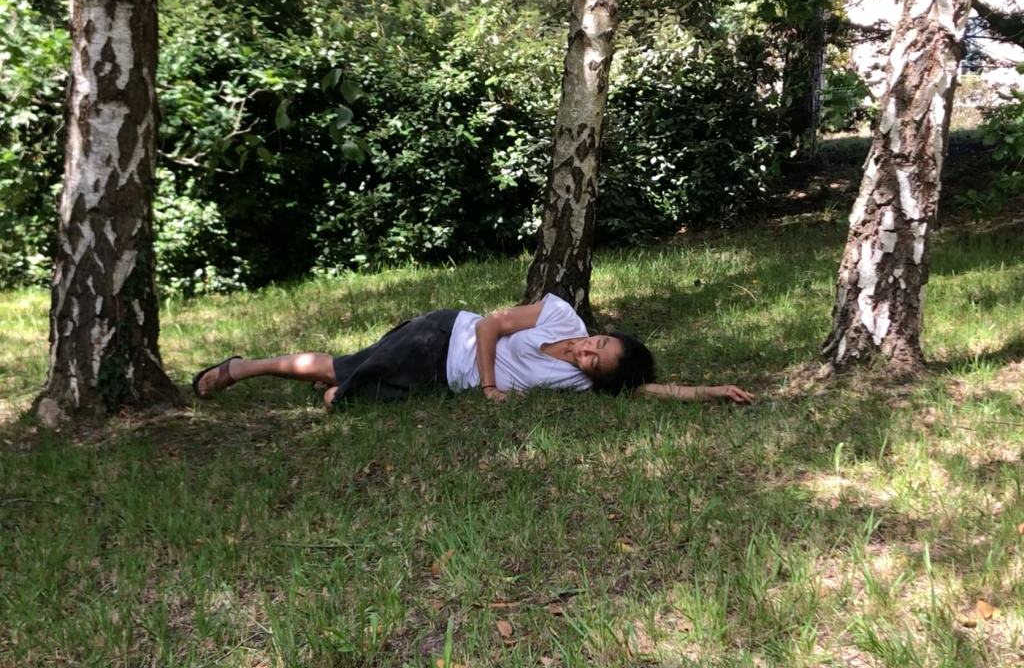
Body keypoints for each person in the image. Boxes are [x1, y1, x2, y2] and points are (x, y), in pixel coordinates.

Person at [192, 293, 754, 406]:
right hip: (443, 338)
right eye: (597, 343)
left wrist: (708, 391)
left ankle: (345, 388)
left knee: (345, 398)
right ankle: (243, 368)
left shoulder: (582, 385)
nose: (586, 351)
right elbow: (489, 326)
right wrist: (488, 386)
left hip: (441, 381)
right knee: (347, 367)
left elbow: (647, 389)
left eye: (593, 361)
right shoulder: (561, 314)